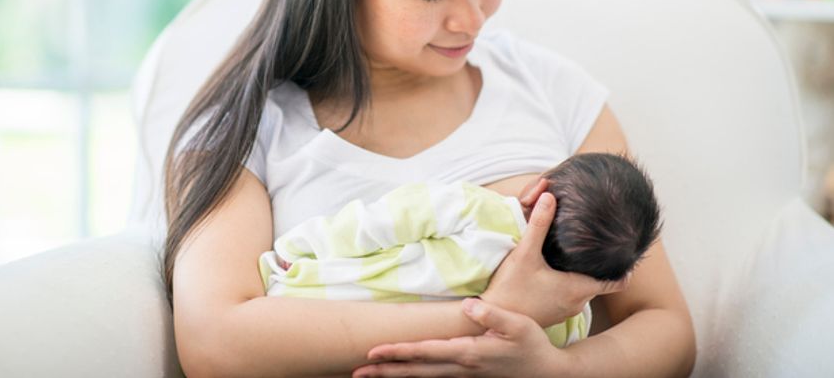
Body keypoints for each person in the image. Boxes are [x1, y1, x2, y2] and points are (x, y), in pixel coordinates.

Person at [162, 0, 695, 377]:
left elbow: (664, 326)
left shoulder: (551, 90)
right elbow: (215, 343)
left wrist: (553, 370)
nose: (472, 19)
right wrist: (495, 317)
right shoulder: (249, 127)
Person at [258, 152, 662, 349]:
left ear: (537, 190)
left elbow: (377, 222)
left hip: (311, 296)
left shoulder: (474, 209)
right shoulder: (569, 318)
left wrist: (305, 248)